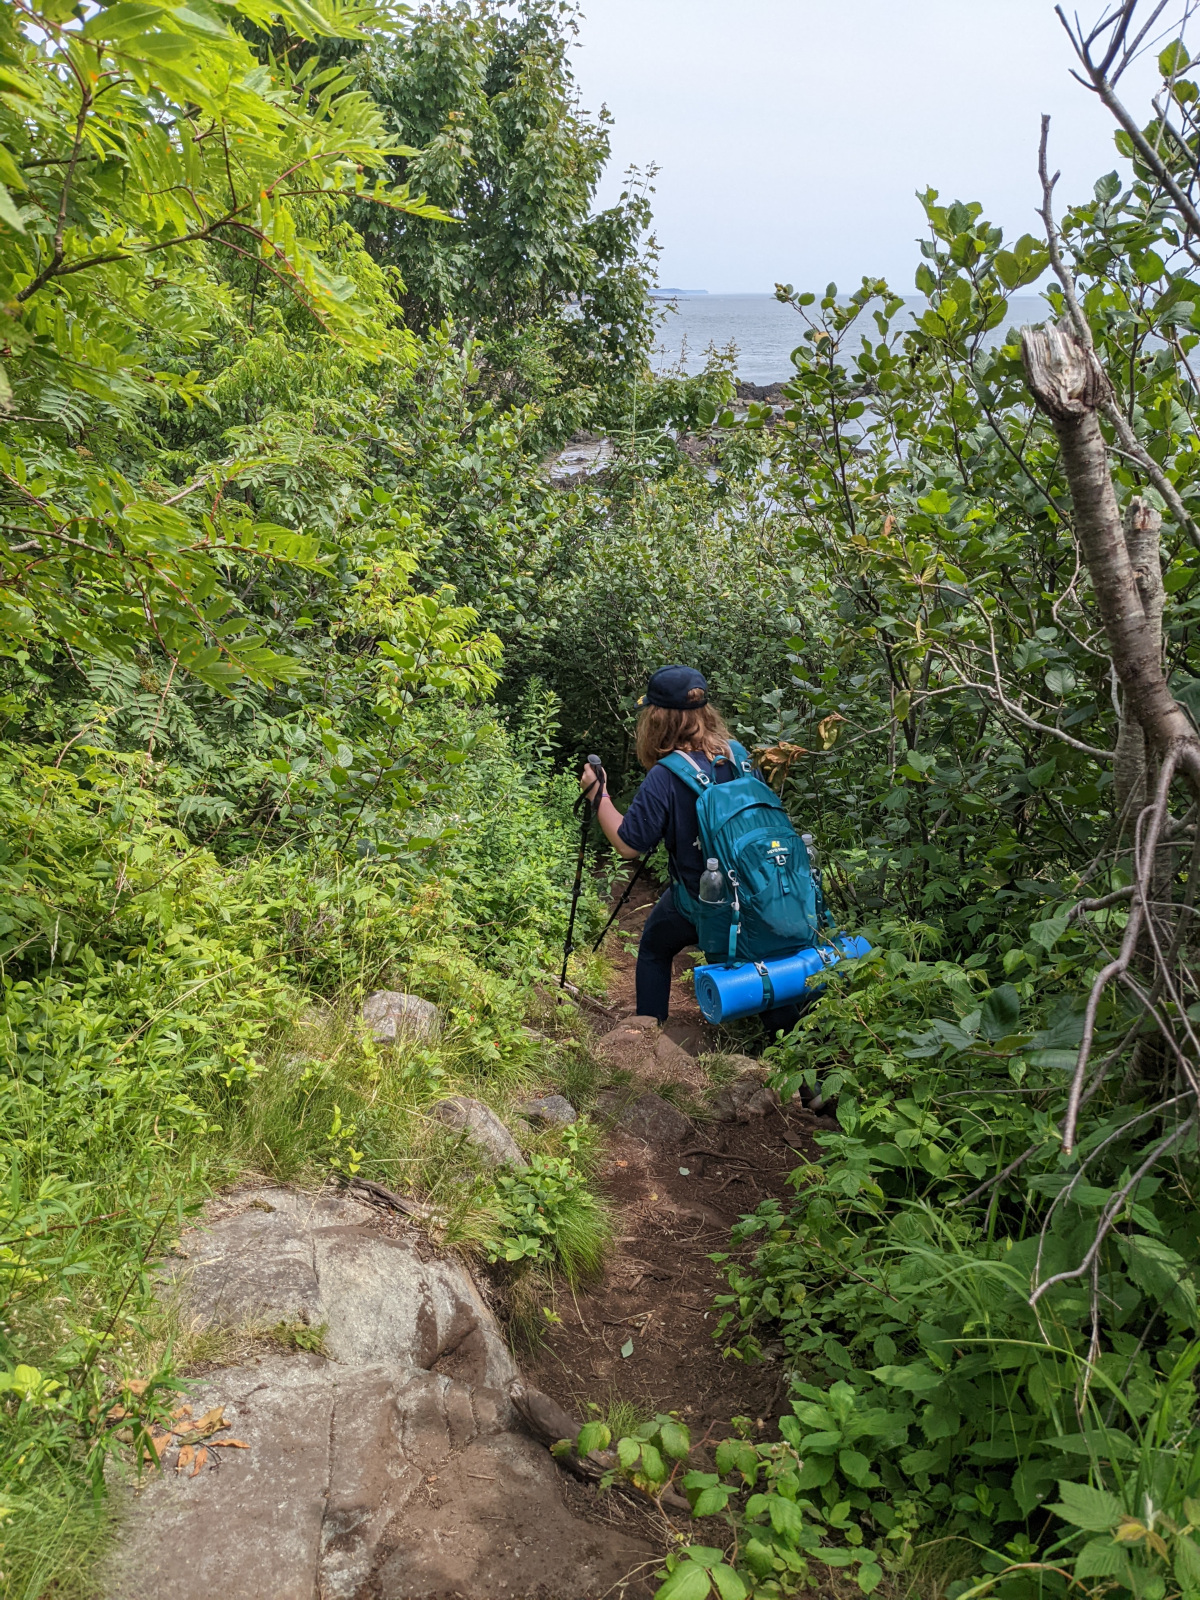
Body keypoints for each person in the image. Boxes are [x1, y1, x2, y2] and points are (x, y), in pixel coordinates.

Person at [580, 664, 802, 1033]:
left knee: (653, 946)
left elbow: (628, 844)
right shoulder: (739, 756)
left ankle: (646, 1036)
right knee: (763, 964)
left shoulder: (666, 774)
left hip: (704, 899)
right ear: (705, 712)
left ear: (655, 718)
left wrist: (598, 793)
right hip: (763, 888)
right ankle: (808, 1080)